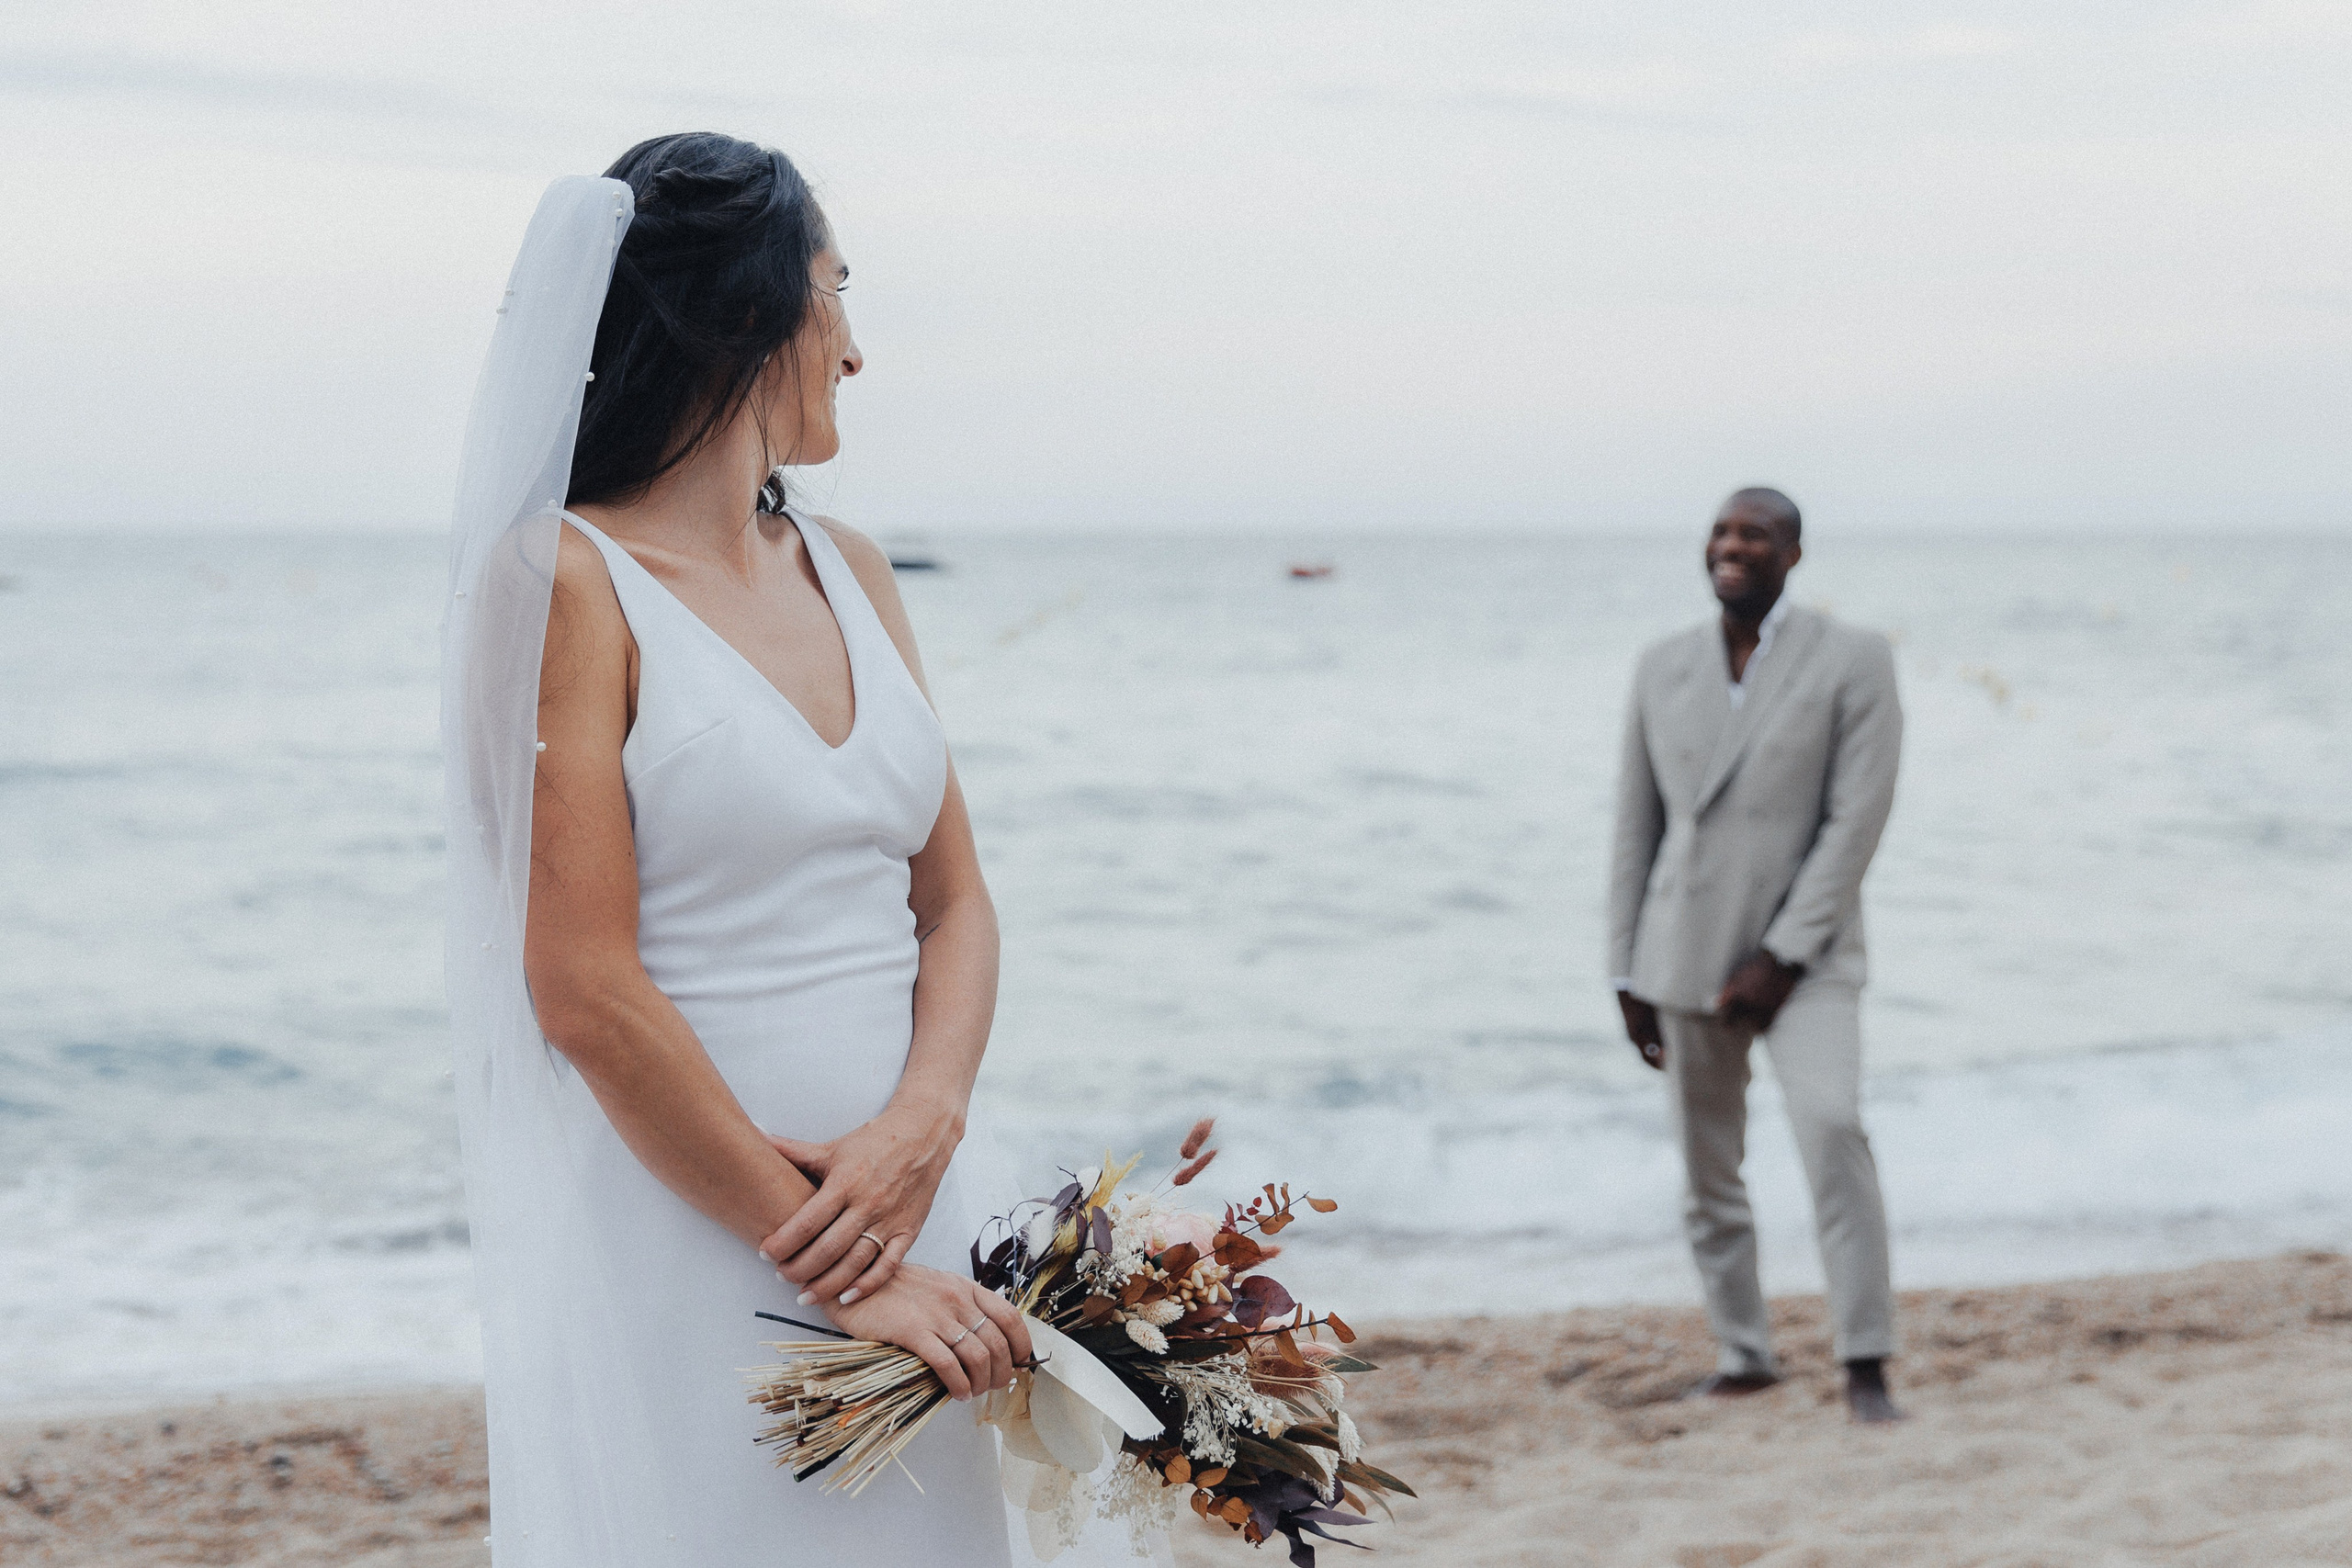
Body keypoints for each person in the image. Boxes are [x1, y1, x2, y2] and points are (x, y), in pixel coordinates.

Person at [442, 136, 1138, 1565]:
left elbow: (953, 901)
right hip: (709, 1227)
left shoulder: (853, 567)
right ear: (744, 315)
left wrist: (926, 1121)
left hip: (909, 1195)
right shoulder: (561, 580)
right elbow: (583, 984)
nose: (858, 350)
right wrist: (833, 1264)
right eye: (837, 290)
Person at [1605, 487, 1905, 1424]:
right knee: (1708, 1173)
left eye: (1756, 534)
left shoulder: (1853, 657)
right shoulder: (1661, 664)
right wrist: (1625, 969)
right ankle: (1744, 1355)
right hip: (1682, 953)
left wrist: (1781, 955)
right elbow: (1636, 827)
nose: (1733, 546)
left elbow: (1856, 821)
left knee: (1832, 1127)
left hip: (1808, 957)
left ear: (1793, 552)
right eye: (1722, 531)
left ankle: (1865, 1360)